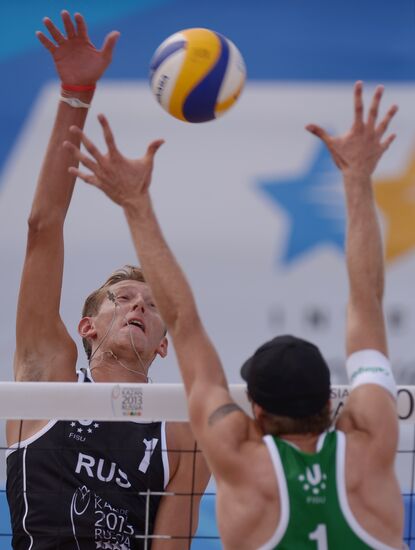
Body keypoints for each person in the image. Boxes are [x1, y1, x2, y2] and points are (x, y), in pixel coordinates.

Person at [66, 82, 404, 549]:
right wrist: (357, 178)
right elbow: (367, 299)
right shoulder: (373, 443)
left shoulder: (240, 461)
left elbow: (184, 323)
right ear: (331, 404)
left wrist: (135, 205)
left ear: (256, 412)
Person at [6, 12, 209, 550]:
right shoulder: (47, 382)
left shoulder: (181, 434)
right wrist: (76, 94)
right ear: (87, 327)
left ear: (165, 345)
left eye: (151, 304)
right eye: (122, 298)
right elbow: (41, 229)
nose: (138, 307)